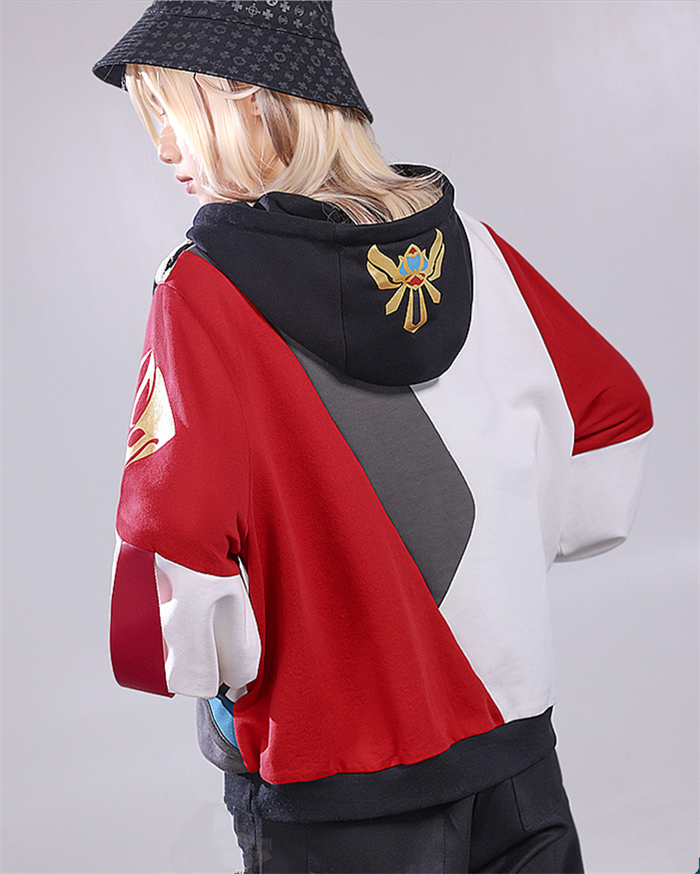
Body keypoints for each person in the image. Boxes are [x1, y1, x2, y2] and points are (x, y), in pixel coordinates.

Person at [93, 2, 653, 872]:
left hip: (335, 786)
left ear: (248, 96)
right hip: (516, 755)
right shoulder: (477, 251)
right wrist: (504, 567)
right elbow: (612, 417)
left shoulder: (201, 292)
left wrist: (207, 673)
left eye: (172, 110)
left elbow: (172, 547)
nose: (163, 147)